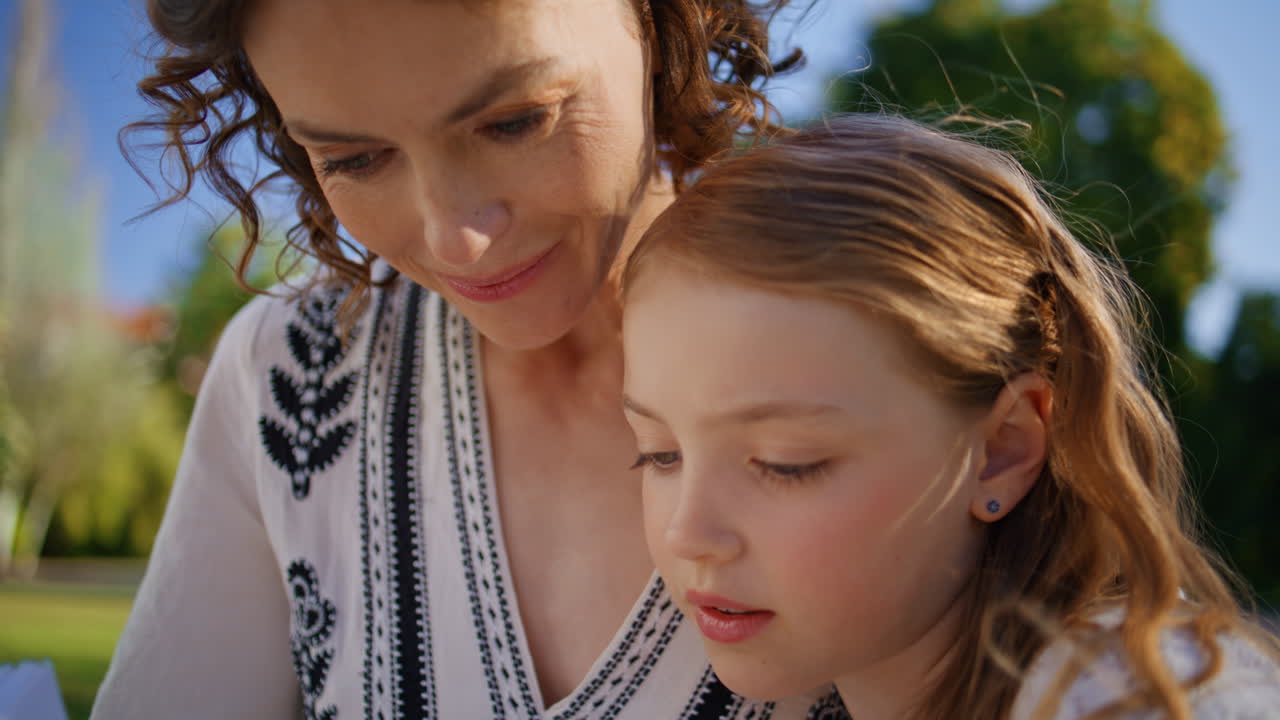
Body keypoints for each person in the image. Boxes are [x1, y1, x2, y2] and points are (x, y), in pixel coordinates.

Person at [92, 1, 845, 718]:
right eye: (354, 159)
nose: (456, 240)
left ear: (654, 19)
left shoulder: (861, 333)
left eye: (516, 121)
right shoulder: (286, 373)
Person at [620, 113, 1280, 720]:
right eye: (660, 453)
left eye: (784, 463)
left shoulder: (1137, 698)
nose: (687, 534)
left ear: (1002, 450)